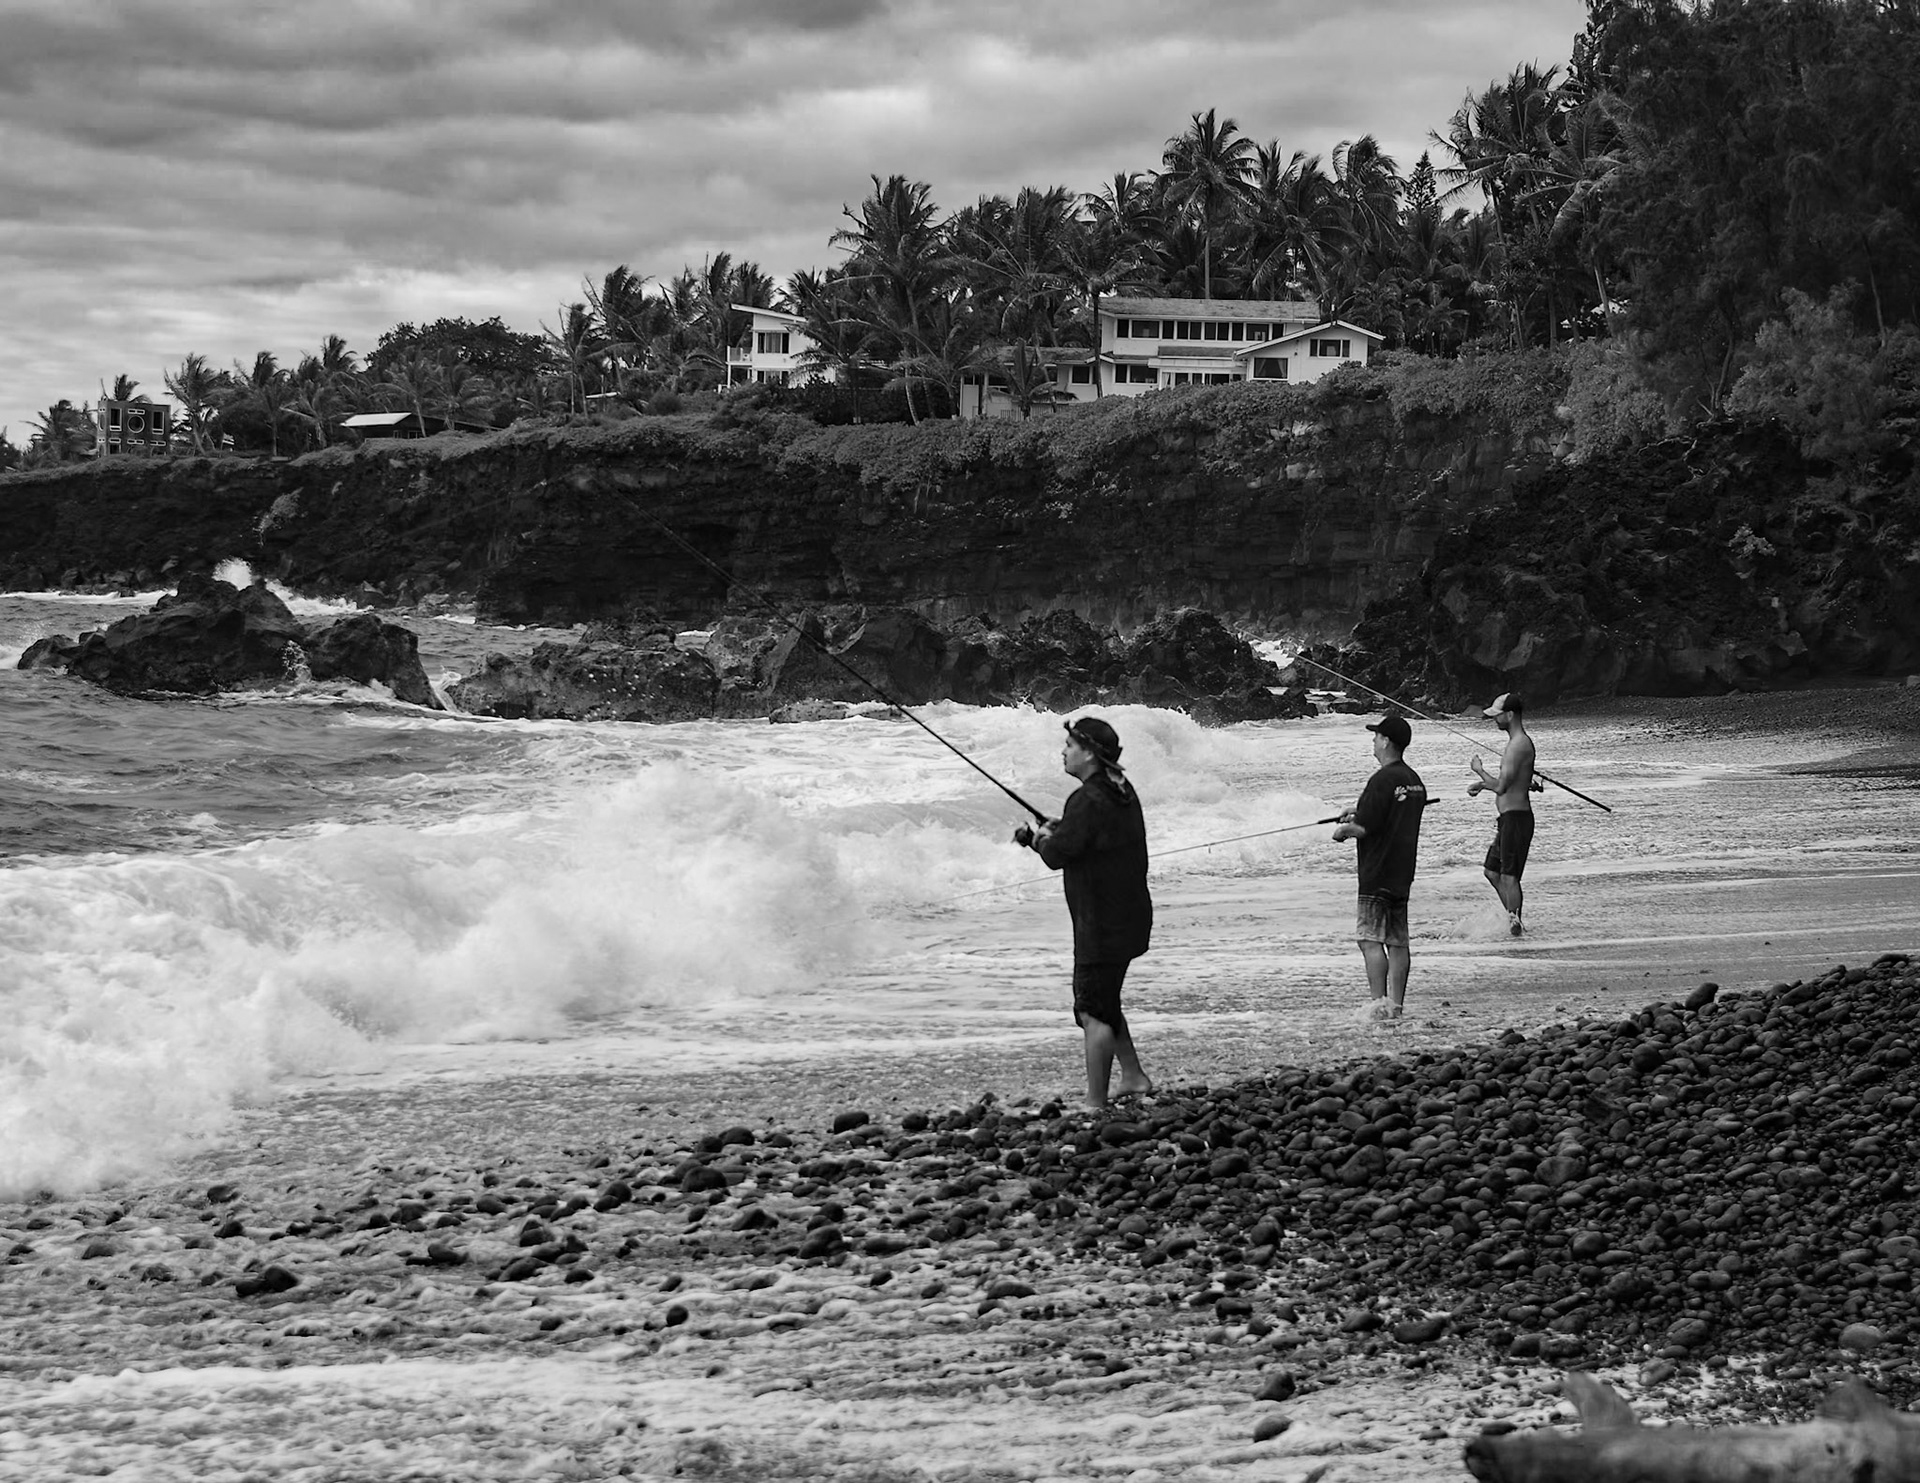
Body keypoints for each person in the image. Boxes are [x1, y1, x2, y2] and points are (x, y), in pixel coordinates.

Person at [1013, 715, 1154, 1110]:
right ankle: (1133, 1076)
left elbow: (1057, 855)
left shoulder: (1087, 799)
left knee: (1092, 1011)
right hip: (1129, 916)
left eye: (1070, 746)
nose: (1064, 751)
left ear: (1089, 753)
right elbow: (1092, 837)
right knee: (1107, 1001)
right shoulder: (1119, 789)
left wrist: (1036, 839)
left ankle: (1094, 1103)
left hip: (1102, 924)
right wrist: (1063, 827)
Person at [1330, 714, 1427, 1018]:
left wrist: (1342, 831)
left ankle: (1378, 1004)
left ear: (1386, 741)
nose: (1373, 742)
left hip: (1376, 872)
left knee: (1369, 939)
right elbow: (1389, 812)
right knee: (1397, 941)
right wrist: (1357, 811)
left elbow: (1364, 829)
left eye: (1376, 737)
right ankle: (1396, 1007)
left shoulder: (1381, 779)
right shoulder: (1414, 782)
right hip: (1402, 872)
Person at [1468, 690, 1538, 937]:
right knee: (1492, 872)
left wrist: (1479, 772)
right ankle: (1513, 919)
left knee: (1509, 877)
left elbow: (1501, 786)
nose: (1495, 720)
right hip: (1509, 819)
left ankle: (1515, 924)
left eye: (1498, 716)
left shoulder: (1518, 745)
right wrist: (1483, 784)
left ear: (1510, 715)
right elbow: (1512, 782)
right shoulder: (1517, 745)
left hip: (1517, 819)